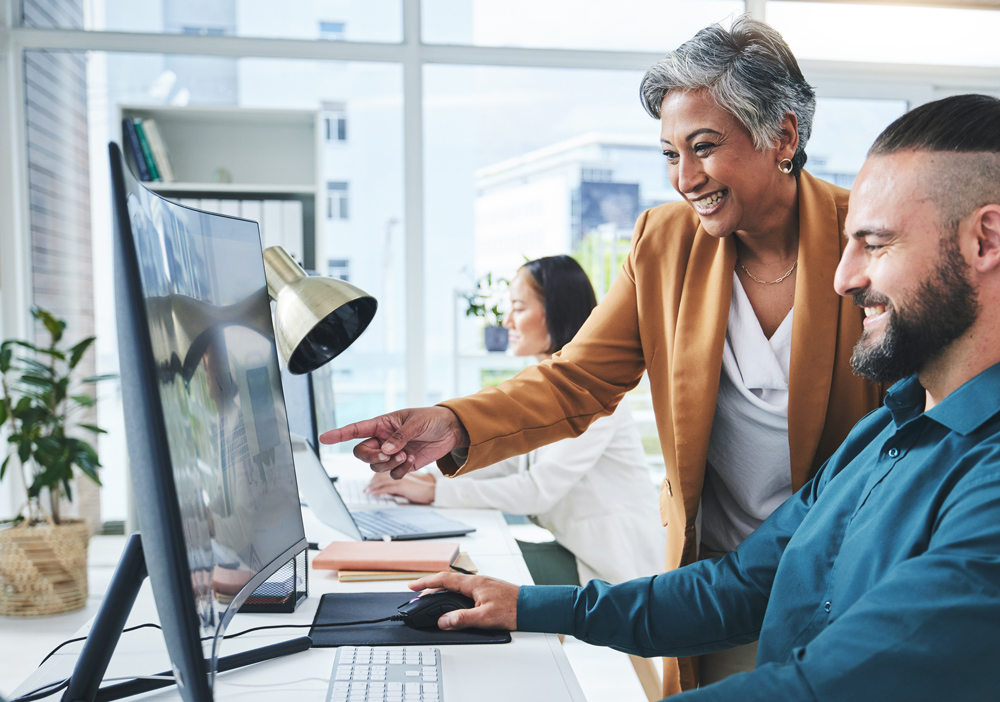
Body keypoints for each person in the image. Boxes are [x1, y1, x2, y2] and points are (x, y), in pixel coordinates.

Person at [321, 17, 882, 694]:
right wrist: (452, 422)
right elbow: (579, 378)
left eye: (703, 147)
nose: (685, 178)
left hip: (849, 576)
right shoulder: (665, 242)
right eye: (671, 154)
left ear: (783, 136)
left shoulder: (869, 241)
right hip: (717, 578)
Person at [399, 93, 1000, 700]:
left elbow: (828, 684)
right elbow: (739, 585)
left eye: (875, 243)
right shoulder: (880, 436)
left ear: (985, 240)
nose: (844, 278)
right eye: (670, 153)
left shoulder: (980, 476)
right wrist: (528, 605)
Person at [367, 255, 666, 587]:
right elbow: (510, 462)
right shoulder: (545, 389)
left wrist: (436, 493)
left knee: (466, 570)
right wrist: (430, 478)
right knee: (459, 561)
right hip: (579, 550)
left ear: (558, 311)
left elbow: (537, 490)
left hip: (617, 566)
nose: (507, 321)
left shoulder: (596, 397)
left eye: (519, 308)